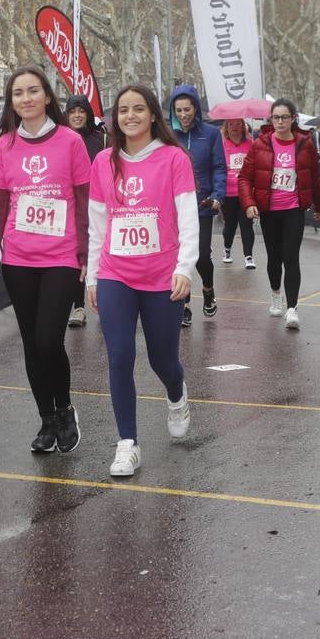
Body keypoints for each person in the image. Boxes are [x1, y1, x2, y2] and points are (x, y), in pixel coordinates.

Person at [0, 67, 91, 454]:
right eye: (18, 93)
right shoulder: (4, 147)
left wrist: (86, 254)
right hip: (19, 259)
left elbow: (82, 200)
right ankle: (46, 419)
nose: (25, 98)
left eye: (33, 91)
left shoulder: (71, 142)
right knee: (30, 343)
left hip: (60, 256)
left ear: (46, 97)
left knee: (48, 339)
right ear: (11, 102)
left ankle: (65, 409)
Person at [85, 85, 198, 477]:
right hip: (116, 274)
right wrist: (93, 275)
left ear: (152, 114)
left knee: (161, 359)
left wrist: (185, 267)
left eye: (138, 109)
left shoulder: (173, 159)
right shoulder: (103, 161)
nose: (130, 116)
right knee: (119, 355)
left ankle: (176, 393)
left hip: (161, 277)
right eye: (123, 110)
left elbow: (187, 217)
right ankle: (127, 443)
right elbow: (97, 223)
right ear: (115, 118)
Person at [239, 99, 320, 331]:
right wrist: (249, 203)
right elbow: (244, 178)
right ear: (271, 120)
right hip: (269, 211)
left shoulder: (305, 145)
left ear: (293, 119)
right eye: (275, 118)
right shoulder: (260, 145)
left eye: (284, 117)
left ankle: (292, 309)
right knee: (274, 258)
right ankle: (276, 293)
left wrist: (319, 205)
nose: (279, 122)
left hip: (293, 210)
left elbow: (315, 178)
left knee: (291, 257)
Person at [168, 84, 226, 327]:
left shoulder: (211, 134)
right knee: (179, 257)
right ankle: (185, 304)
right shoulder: (167, 135)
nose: (183, 115)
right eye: (178, 110)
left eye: (187, 109)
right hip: (174, 204)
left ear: (195, 109)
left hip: (202, 204)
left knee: (201, 257)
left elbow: (219, 168)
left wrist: (217, 195)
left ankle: (209, 289)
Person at [64, 93, 105, 327]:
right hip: (73, 205)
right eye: (72, 111)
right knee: (77, 254)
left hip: (99, 204)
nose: (77, 115)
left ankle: (106, 299)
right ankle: (78, 306)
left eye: (81, 111)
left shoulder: (100, 139)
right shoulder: (62, 140)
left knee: (101, 252)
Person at [219, 118, 256, 269]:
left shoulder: (250, 144)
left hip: (245, 192)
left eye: (238, 124)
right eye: (231, 124)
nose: (234, 127)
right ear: (226, 127)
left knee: (246, 224)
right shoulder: (221, 145)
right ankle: (227, 249)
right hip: (228, 193)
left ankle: (249, 256)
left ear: (243, 127)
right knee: (230, 226)